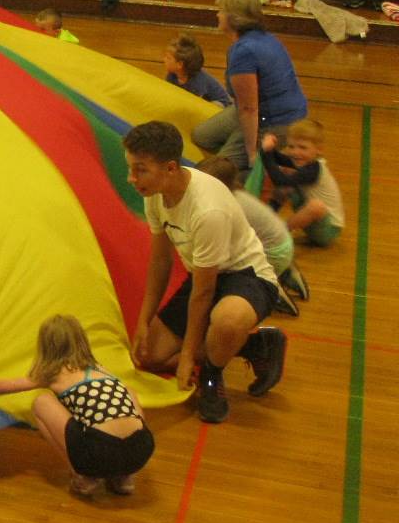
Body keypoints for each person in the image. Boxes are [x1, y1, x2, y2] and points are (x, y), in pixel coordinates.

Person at [122, 121, 285, 423]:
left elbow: (205, 292)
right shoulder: (155, 194)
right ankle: (255, 345)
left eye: (140, 169)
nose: (131, 178)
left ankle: (212, 376)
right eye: (131, 168)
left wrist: (187, 357)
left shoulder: (207, 211)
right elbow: (160, 262)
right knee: (149, 356)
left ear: (170, 168)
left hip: (245, 276)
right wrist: (144, 320)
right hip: (204, 274)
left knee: (225, 322)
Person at [0, 314, 154, 499]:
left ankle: (85, 476)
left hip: (98, 453)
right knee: (128, 393)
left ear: (48, 348)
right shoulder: (101, 369)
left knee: (41, 402)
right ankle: (124, 477)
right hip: (140, 450)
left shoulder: (56, 374)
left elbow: (3, 386)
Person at [193, 0, 308, 169]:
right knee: (202, 135)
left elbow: (249, 109)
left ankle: (258, 162)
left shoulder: (244, 53)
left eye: (221, 11)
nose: (217, 15)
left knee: (223, 169)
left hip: (276, 122)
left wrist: (251, 152)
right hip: (272, 111)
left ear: (234, 18)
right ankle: (243, 141)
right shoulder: (265, 38)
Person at [196, 157, 305, 316]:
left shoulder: (226, 204)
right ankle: (285, 271)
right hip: (283, 244)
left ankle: (274, 290)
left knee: (225, 267)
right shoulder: (237, 192)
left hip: (274, 253)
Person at [257, 120, 344, 249]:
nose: (296, 152)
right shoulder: (305, 161)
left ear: (318, 150)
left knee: (315, 205)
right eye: (291, 147)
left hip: (328, 229)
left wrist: (266, 154)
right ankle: (269, 216)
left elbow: (280, 180)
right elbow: (278, 159)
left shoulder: (314, 169)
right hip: (312, 223)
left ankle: (280, 231)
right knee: (287, 175)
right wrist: (269, 148)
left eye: (302, 147)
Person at [163, 33, 230, 107]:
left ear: (180, 64)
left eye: (168, 58)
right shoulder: (172, 75)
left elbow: (197, 106)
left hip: (221, 104)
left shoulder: (198, 82)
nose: (164, 60)